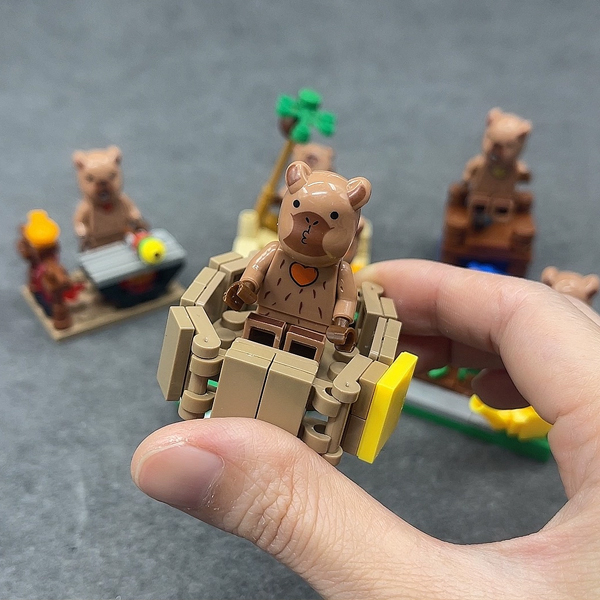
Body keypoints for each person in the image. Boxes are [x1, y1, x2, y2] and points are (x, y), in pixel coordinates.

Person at [131, 259, 600, 598]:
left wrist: (341, 318)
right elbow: (254, 270)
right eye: (303, 216)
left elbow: (346, 299)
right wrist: (251, 282)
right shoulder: (278, 256)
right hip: (262, 322)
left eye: (330, 220)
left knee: (308, 385)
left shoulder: (339, 274)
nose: (312, 229)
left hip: (313, 342)